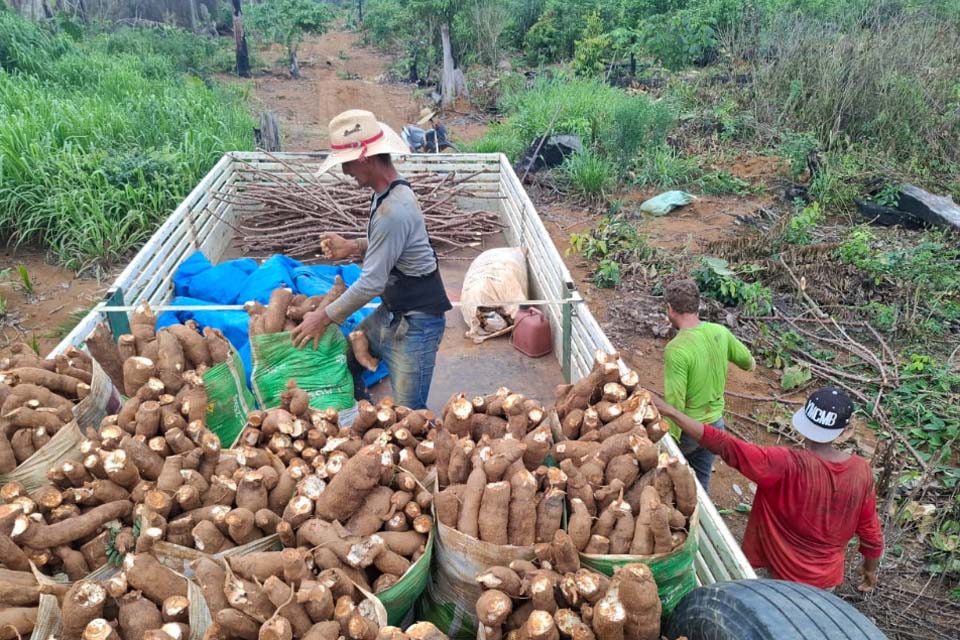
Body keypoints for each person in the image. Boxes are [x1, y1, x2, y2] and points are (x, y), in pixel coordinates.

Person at [291, 109, 452, 410]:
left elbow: (371, 283)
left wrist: (322, 317)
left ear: (365, 158)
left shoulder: (394, 210)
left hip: (416, 325)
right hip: (392, 314)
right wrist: (353, 245)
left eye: (347, 163)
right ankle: (364, 414)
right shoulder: (387, 193)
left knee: (408, 415)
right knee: (348, 357)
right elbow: (393, 248)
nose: (345, 171)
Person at [653, 387, 882, 592]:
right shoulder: (861, 471)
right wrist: (870, 570)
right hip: (825, 583)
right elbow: (871, 533)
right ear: (844, 431)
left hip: (777, 579)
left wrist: (671, 412)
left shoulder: (784, 463)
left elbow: (725, 445)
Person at [662, 278, 755, 491]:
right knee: (701, 484)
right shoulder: (720, 332)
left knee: (667, 482)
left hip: (689, 430)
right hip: (715, 426)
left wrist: (670, 442)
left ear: (670, 309)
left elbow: (675, 401)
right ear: (697, 306)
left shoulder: (676, 349)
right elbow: (748, 363)